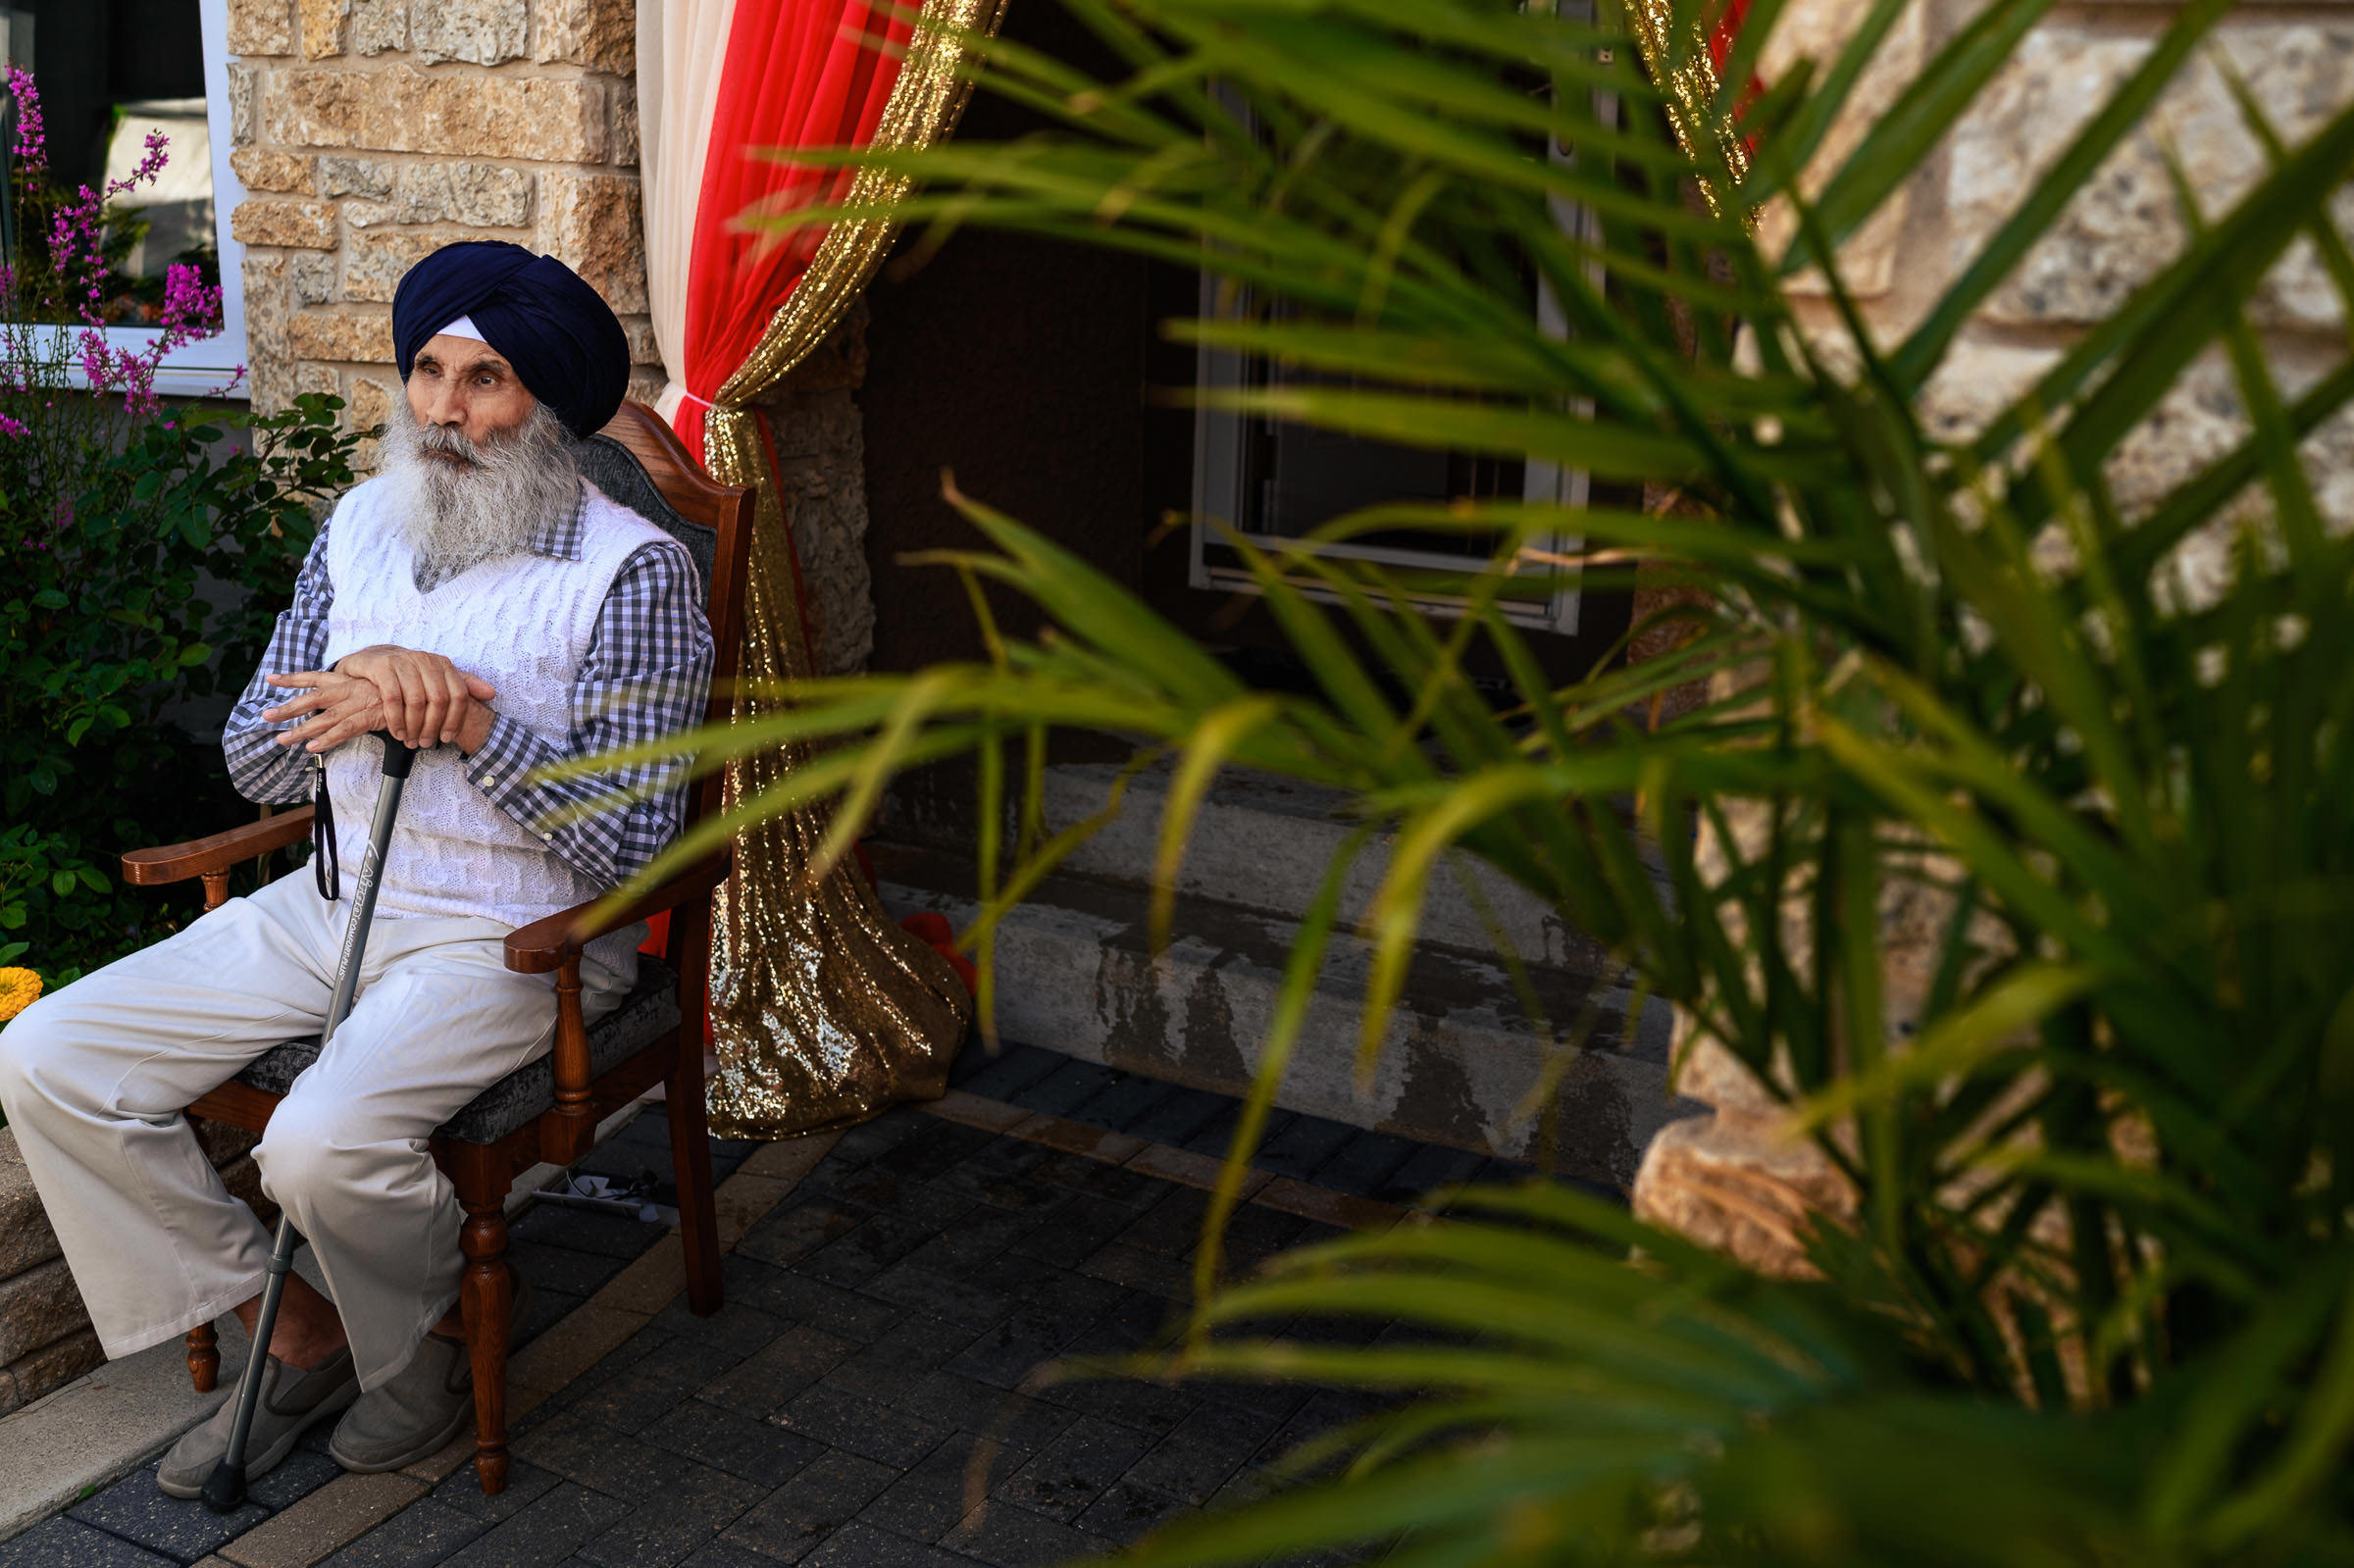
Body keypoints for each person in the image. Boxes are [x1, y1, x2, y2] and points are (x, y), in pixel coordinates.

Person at [0, 241, 714, 1493]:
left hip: (516, 940)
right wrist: (361, 683)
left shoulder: (636, 572)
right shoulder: (357, 531)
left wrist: (468, 723)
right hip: (331, 902)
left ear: (548, 406)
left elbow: (631, 847)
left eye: (487, 381)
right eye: (429, 372)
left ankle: (420, 1350)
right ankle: (306, 1329)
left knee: (319, 1145)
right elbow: (254, 769)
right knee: (47, 1058)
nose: (445, 412)